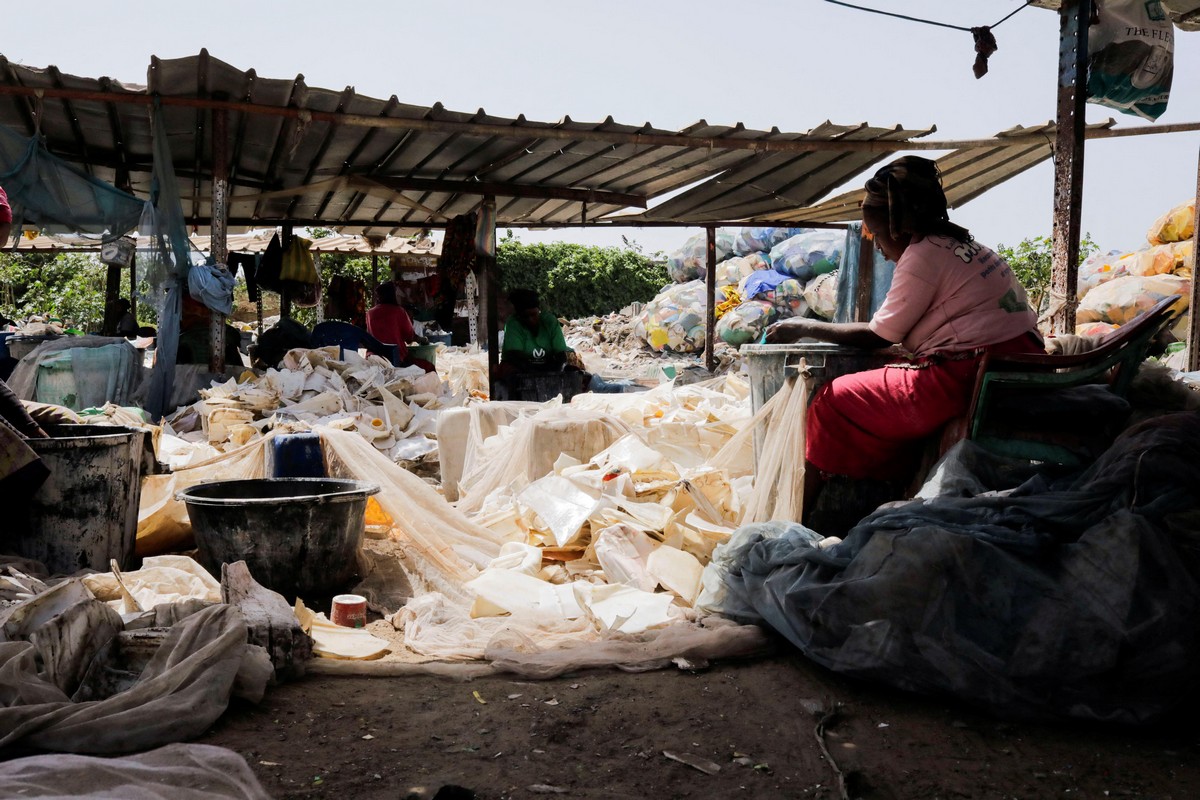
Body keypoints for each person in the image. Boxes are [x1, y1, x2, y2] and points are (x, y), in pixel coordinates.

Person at [764, 156, 1042, 516]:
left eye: (877, 235)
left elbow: (881, 334)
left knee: (833, 400)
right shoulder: (965, 245)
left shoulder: (922, 254)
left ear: (898, 227)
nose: (877, 247)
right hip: (1016, 361)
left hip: (968, 376)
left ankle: (801, 515)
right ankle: (898, 484)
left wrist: (804, 327)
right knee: (889, 375)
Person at [499, 288, 572, 374]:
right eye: (525, 316)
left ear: (539, 311)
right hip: (521, 367)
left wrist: (554, 371)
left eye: (533, 314)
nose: (530, 319)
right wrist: (537, 374)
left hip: (547, 366)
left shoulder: (550, 322)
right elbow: (515, 357)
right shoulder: (513, 324)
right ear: (518, 315)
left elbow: (561, 355)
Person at [366, 282, 434, 372]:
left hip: (372, 357)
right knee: (429, 367)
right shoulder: (399, 311)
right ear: (393, 295)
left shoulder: (369, 313)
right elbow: (410, 337)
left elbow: (369, 336)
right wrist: (423, 340)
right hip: (395, 359)